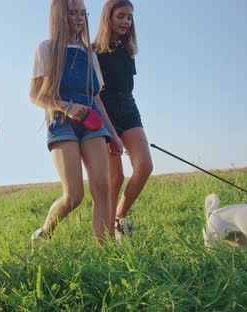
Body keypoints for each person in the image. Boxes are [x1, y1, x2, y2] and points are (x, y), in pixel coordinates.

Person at [29, 0, 124, 243]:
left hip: (93, 124)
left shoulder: (90, 54)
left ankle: (104, 251)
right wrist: (67, 107)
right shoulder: (46, 49)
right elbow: (35, 95)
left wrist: (112, 134)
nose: (79, 18)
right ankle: (44, 234)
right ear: (59, 16)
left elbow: (96, 99)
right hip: (62, 123)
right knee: (73, 196)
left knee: (102, 187)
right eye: (73, 13)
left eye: (83, 13)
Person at [93, 0, 153, 240]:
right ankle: (106, 237)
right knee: (115, 178)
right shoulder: (94, 50)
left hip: (129, 108)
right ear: (108, 17)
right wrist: (108, 130)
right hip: (105, 112)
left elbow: (126, 87)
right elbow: (95, 91)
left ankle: (120, 216)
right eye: (121, 16)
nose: (126, 21)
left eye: (129, 17)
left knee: (145, 166)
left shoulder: (128, 51)